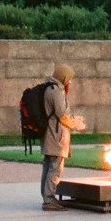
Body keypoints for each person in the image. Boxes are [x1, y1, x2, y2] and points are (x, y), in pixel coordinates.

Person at [41, 64, 86, 211]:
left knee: (49, 166)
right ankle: (49, 200)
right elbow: (62, 115)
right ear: (64, 77)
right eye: (69, 78)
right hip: (56, 136)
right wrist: (76, 124)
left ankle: (47, 197)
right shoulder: (56, 91)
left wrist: (74, 119)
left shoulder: (49, 88)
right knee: (55, 167)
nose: (70, 82)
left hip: (50, 134)